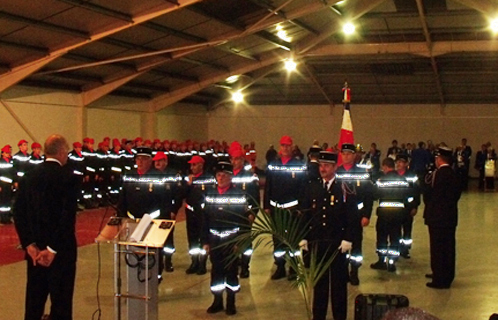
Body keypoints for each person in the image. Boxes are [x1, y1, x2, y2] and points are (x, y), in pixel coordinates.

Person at [14, 134, 79, 320]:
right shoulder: (68, 178)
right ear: (61, 152)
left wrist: (29, 244)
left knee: (34, 304)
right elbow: (67, 219)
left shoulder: (29, 176)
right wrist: (52, 249)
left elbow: (19, 213)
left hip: (35, 253)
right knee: (61, 305)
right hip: (61, 253)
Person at [299, 150, 353, 320]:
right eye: (321, 165)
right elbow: (306, 214)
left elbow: (352, 216)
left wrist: (348, 239)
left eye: (327, 165)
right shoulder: (312, 187)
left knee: (338, 286)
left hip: (337, 245)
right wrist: (304, 237)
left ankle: (339, 316)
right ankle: (318, 316)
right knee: (319, 285)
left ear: (335, 167)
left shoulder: (344, 188)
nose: (322, 168)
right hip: (318, 243)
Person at [201, 161, 250, 316]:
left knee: (231, 271)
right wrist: (205, 241)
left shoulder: (239, 195)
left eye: (224, 175)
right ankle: (217, 301)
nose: (221, 178)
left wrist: (240, 242)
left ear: (230, 177)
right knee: (216, 271)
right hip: (214, 239)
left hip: (231, 240)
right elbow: (204, 219)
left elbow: (244, 222)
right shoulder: (210, 194)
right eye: (218, 175)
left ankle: (230, 302)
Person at [264, 135, 307, 280]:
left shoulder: (299, 165)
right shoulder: (272, 164)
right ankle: (280, 266)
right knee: (278, 239)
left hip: (292, 209)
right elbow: (268, 186)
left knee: (292, 239)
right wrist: (266, 206)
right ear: (279, 147)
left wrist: (301, 207)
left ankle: (293, 267)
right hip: (276, 209)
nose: (285, 148)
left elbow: (303, 187)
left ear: (292, 147)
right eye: (283, 145)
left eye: (288, 145)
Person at [335, 143, 373, 285]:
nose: (346, 156)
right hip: (340, 215)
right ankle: (342, 271)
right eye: (343, 154)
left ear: (354, 155)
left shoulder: (362, 173)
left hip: (356, 215)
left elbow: (369, 196)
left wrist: (366, 215)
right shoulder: (336, 172)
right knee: (341, 244)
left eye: (349, 154)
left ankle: (354, 271)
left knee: (356, 245)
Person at [423, 146, 462, 289]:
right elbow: (457, 195)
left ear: (438, 160)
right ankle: (448, 275)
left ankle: (439, 278)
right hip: (450, 216)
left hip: (436, 217)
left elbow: (427, 195)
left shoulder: (436, 175)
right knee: (449, 247)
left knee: (438, 248)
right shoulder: (454, 174)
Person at [370, 158, 411, 272]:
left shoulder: (381, 180)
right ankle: (392, 262)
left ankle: (382, 261)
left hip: (384, 214)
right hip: (398, 215)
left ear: (385, 167)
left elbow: (374, 195)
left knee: (382, 238)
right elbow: (408, 195)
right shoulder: (403, 180)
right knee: (395, 238)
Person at [229, 146, 260, 278]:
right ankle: (235, 264)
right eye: (234, 159)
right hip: (231, 214)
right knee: (232, 239)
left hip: (245, 213)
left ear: (242, 160)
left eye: (238, 159)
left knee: (246, 241)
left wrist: (253, 212)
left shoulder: (249, 176)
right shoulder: (227, 175)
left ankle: (245, 266)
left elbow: (255, 196)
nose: (236, 161)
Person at [184, 155, 216, 275]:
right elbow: (182, 193)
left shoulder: (208, 178)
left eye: (194, 164)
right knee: (192, 239)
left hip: (203, 212)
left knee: (203, 238)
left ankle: (202, 263)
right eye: (191, 165)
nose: (192, 167)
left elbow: (211, 193)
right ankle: (194, 262)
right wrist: (188, 184)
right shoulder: (188, 179)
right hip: (191, 212)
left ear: (201, 165)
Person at [153, 151, 183, 273]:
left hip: (167, 210)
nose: (157, 163)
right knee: (155, 237)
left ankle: (168, 261)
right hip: (154, 212)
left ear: (165, 161)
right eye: (156, 161)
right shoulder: (152, 175)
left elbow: (178, 195)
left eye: (160, 161)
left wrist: (174, 210)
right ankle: (158, 261)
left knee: (168, 237)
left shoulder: (173, 175)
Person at [396, 154, 421, 259]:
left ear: (406, 164)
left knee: (407, 229)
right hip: (396, 207)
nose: (398, 164)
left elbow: (417, 192)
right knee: (396, 229)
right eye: (397, 162)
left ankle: (405, 249)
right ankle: (396, 247)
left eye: (401, 162)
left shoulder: (412, 176)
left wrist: (415, 206)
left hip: (408, 207)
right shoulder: (393, 175)